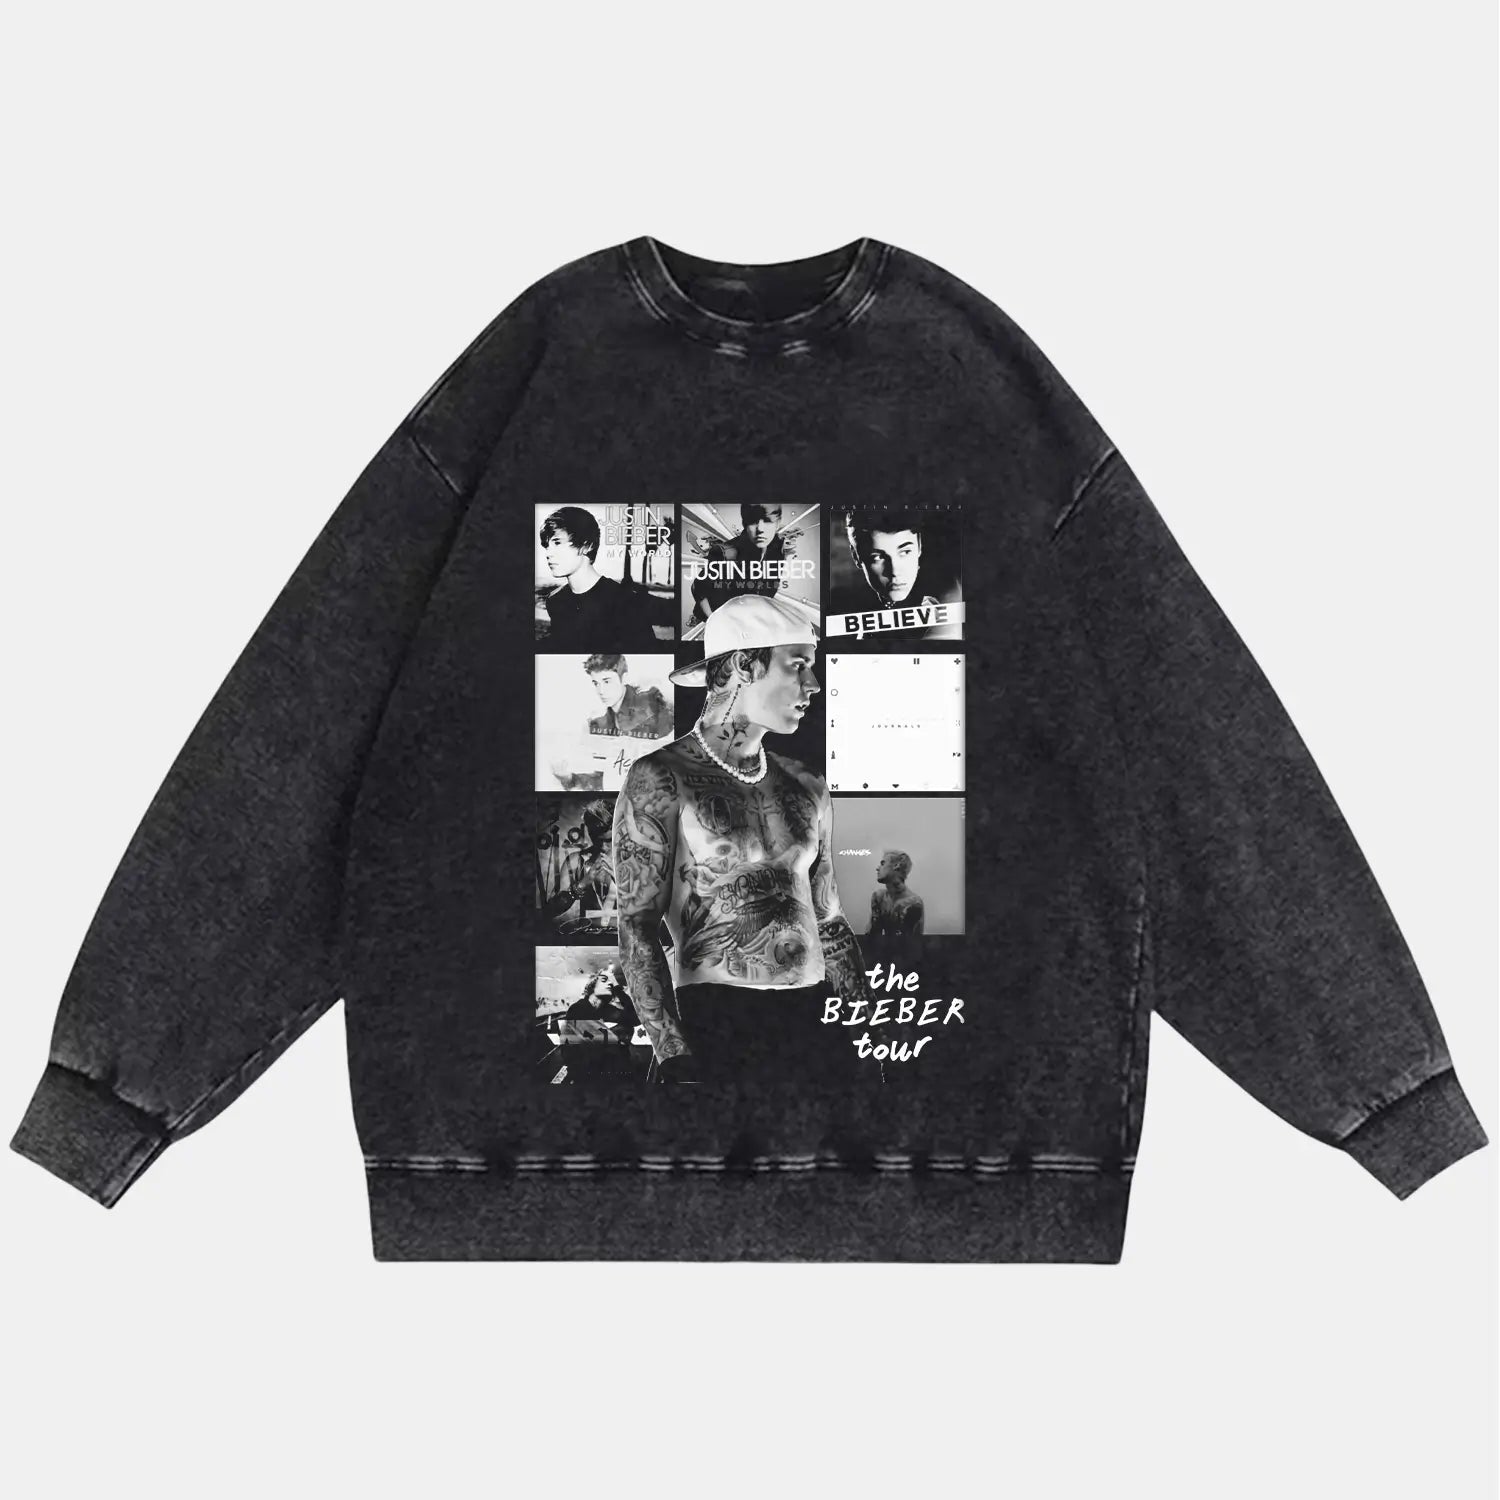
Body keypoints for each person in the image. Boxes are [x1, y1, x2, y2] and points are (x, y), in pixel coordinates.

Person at [612, 594, 881, 1084]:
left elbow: (830, 922)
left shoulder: (807, 785)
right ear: (743, 665)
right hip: (717, 1022)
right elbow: (636, 926)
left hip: (816, 1022)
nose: (813, 684)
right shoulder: (661, 777)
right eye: (797, 665)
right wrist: (673, 1054)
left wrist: (867, 1039)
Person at [539, 506, 659, 650]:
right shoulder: (555, 601)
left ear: (587, 546)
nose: (548, 553)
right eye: (546, 546)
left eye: (557, 542)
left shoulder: (625, 601)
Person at [839, 507, 962, 640]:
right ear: (856, 557)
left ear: (919, 546)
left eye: (905, 552)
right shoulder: (845, 610)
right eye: (877, 557)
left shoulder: (949, 601)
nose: (894, 571)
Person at [688, 503, 800, 621]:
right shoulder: (725, 553)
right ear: (744, 523)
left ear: (778, 523)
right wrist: (714, 620)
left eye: (768, 521)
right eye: (753, 521)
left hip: (749, 619)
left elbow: (770, 585)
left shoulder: (777, 549)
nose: (760, 529)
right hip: (717, 619)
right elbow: (698, 588)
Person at [583, 653, 673, 738]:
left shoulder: (649, 706)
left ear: (624, 678)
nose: (601, 691)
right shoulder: (601, 721)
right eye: (596, 683)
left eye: (607, 682)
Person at [867, 848, 925, 973]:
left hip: (902, 969)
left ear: (896, 866)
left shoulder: (913, 903)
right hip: (880, 965)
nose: (877, 868)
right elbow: (872, 935)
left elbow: (911, 949)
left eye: (883, 863)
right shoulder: (878, 897)